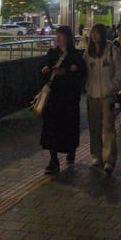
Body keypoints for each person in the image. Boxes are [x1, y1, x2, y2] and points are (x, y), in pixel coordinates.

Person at [39, 25, 87, 174]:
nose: (57, 38)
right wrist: (45, 70)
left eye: (60, 36)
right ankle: (53, 158)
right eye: (56, 35)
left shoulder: (75, 55)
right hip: (53, 96)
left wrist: (68, 72)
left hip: (68, 97)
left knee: (68, 125)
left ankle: (70, 149)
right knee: (52, 126)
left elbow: (81, 72)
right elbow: (43, 68)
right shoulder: (52, 53)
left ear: (67, 37)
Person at [83, 23, 121, 174]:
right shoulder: (88, 52)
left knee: (108, 127)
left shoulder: (112, 50)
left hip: (108, 96)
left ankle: (109, 159)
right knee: (94, 127)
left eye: (97, 33)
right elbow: (84, 71)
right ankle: (96, 155)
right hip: (92, 95)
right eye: (92, 33)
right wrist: (87, 86)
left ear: (103, 34)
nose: (94, 36)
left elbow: (120, 71)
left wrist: (111, 87)